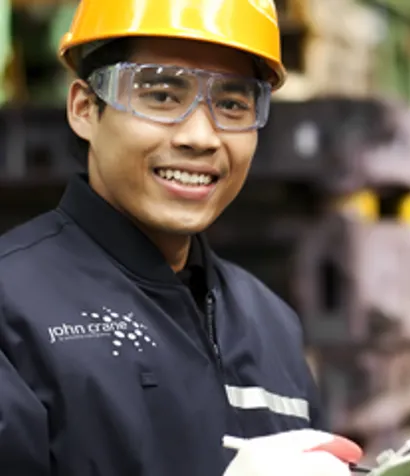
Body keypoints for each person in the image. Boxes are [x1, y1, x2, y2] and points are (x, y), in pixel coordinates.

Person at [0, 0, 356, 475]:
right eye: (162, 95)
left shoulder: (270, 324)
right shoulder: (12, 307)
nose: (201, 136)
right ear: (85, 109)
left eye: (231, 104)